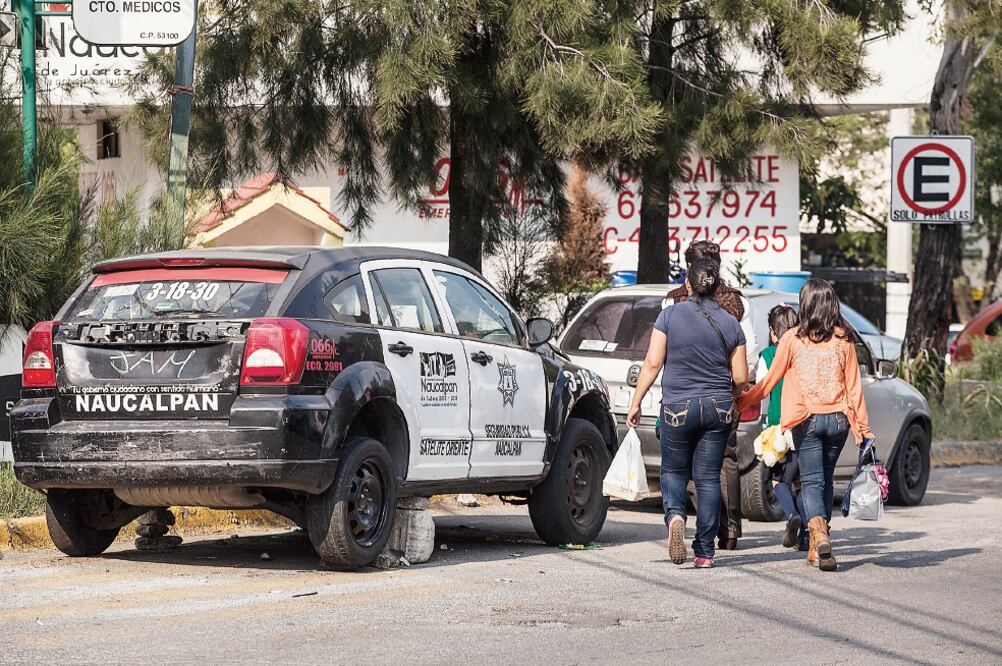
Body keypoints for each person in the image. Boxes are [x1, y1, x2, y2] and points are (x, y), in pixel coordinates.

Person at [737, 279, 874, 572]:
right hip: (838, 421)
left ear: (806, 305)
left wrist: (740, 401)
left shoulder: (792, 339)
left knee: (811, 482)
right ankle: (816, 546)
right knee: (824, 480)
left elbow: (769, 382)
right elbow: (854, 389)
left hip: (807, 421)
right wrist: (863, 430)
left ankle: (820, 534)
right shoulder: (845, 339)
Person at [629, 258, 748, 568]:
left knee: (673, 472)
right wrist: (730, 397)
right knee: (708, 479)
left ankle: (676, 518)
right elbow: (740, 378)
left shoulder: (669, 316)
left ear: (689, 284)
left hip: (677, 407)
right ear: (718, 286)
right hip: (718, 407)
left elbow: (653, 363)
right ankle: (705, 552)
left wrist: (636, 401)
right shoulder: (732, 324)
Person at [665, 240, 753, 550]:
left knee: (680, 466)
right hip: (724, 396)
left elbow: (659, 353)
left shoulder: (673, 301)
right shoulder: (736, 303)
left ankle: (678, 517)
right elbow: (748, 354)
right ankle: (725, 534)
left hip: (679, 396)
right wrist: (731, 388)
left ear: (689, 270)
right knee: (722, 463)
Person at [756, 304, 806, 550]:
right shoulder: (803, 351)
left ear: (773, 333)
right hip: (804, 424)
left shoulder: (767, 356)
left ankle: (791, 515)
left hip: (779, 427)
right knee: (800, 482)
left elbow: (761, 388)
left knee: (778, 481)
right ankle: (806, 536)